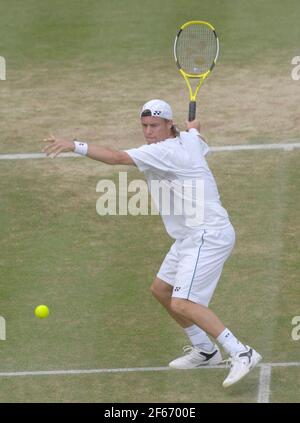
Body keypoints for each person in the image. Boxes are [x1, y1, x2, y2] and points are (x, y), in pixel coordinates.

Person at [43, 98, 262, 387]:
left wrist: (75, 145)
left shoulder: (165, 151)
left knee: (183, 303)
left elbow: (116, 157)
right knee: (161, 289)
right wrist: (195, 129)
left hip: (207, 234)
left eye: (154, 126)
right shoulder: (189, 139)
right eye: (144, 125)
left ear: (169, 124)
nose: (148, 131)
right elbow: (196, 135)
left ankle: (241, 352)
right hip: (188, 236)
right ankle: (205, 350)